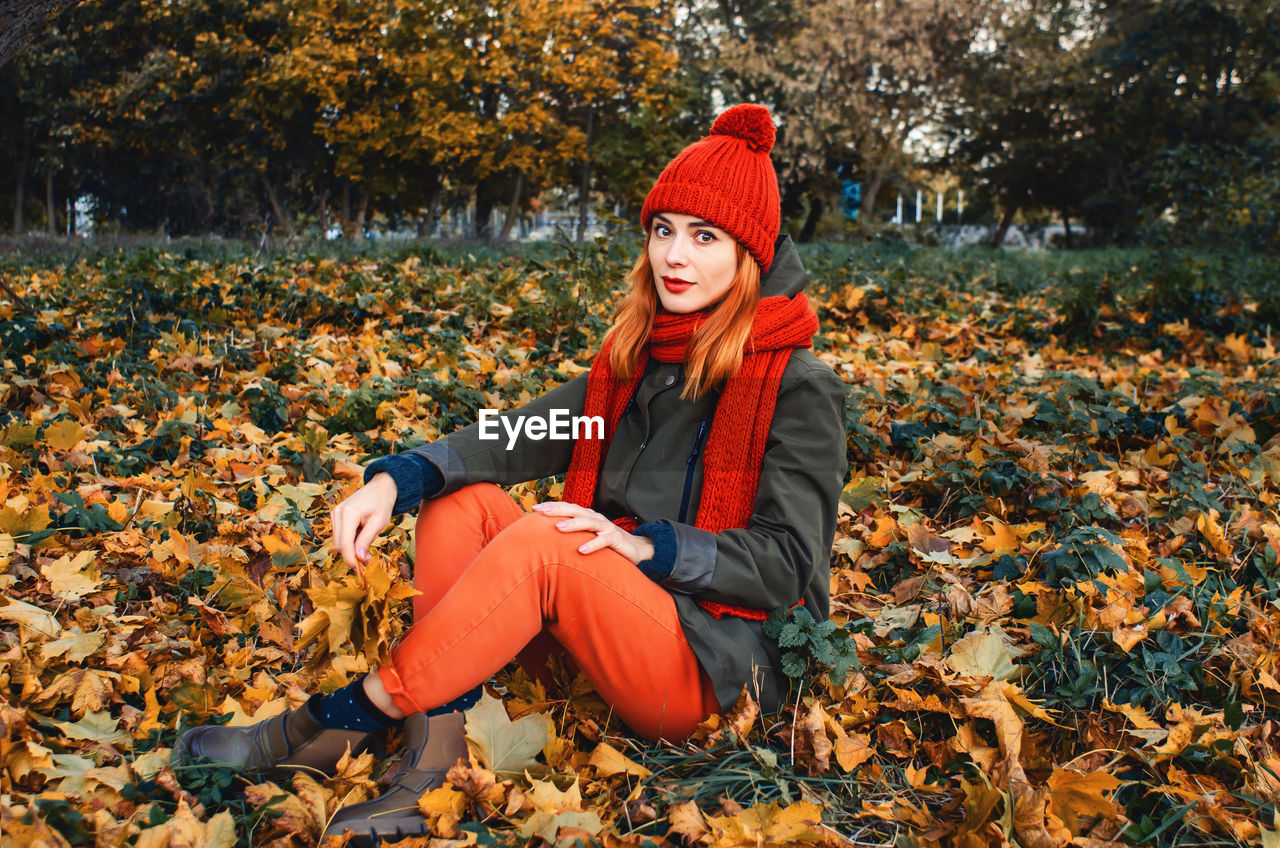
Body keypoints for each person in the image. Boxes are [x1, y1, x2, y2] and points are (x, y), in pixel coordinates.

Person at [173, 102, 847, 845]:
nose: (673, 257)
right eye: (663, 231)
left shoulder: (797, 386)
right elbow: (514, 435)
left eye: (704, 236)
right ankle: (434, 761)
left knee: (555, 539)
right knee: (461, 503)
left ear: (748, 253)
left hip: (711, 666)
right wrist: (395, 479)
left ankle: (340, 719)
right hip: (607, 637)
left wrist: (648, 545)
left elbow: (789, 564)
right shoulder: (636, 361)